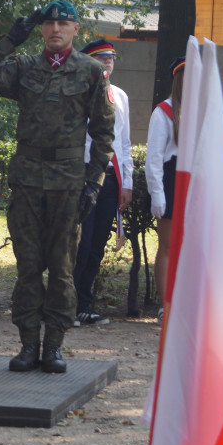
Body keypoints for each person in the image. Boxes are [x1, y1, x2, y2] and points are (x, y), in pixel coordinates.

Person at [0, 0, 114, 373]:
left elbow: (102, 134)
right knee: (28, 268)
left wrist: (94, 183)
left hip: (68, 184)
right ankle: (29, 345)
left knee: (63, 269)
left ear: (75, 30)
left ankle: (54, 347)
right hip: (28, 181)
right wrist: (12, 38)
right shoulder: (25, 66)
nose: (55, 30)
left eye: (63, 24)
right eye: (48, 24)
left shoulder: (91, 72)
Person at [73, 39, 133, 326]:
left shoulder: (120, 96)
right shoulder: (77, 92)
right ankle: (66, 305)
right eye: (100, 57)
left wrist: (128, 183)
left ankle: (84, 305)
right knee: (79, 245)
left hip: (110, 178)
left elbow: (124, 142)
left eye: (110, 57)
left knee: (97, 245)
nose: (107, 61)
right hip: (83, 174)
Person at [146, 57, 183, 322]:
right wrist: (157, 194)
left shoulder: (205, 109)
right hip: (173, 179)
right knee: (168, 247)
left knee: (193, 249)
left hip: (196, 181)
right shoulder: (164, 111)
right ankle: (166, 306)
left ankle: (188, 303)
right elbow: (154, 158)